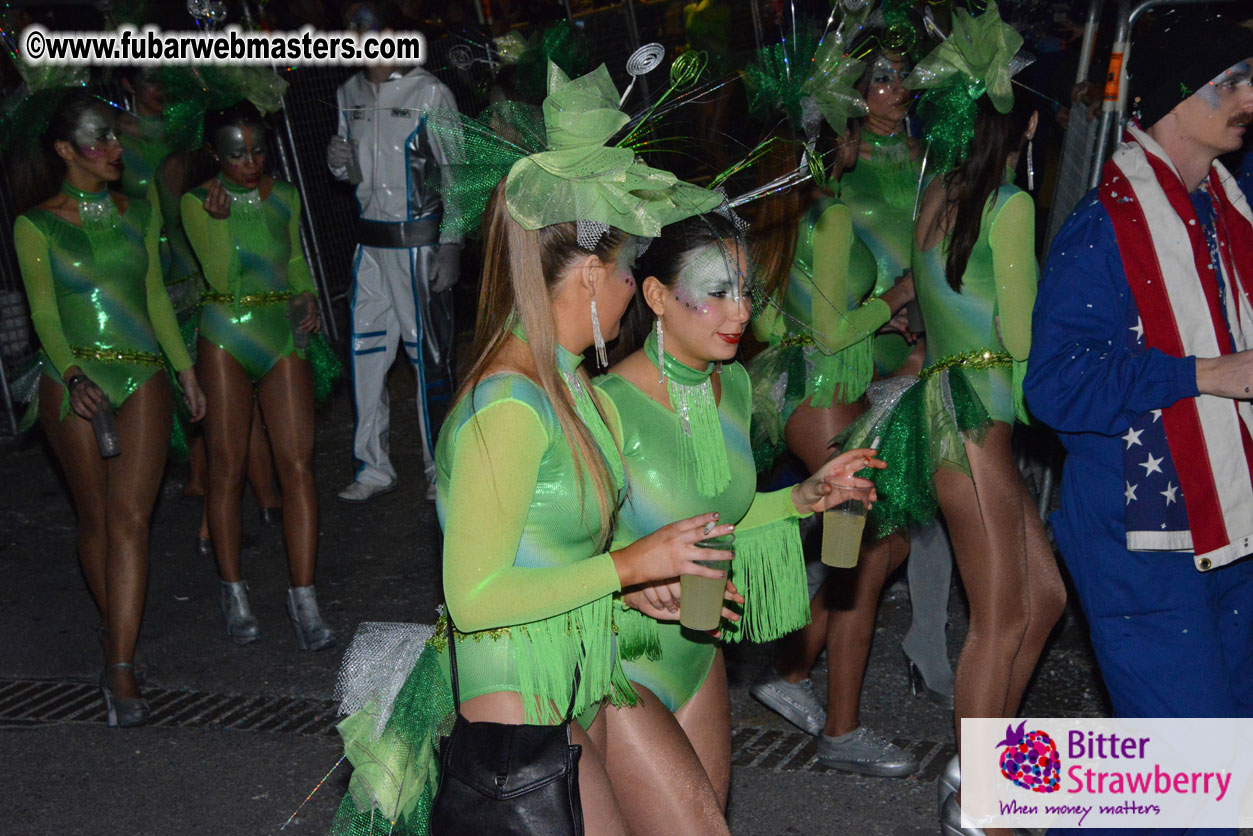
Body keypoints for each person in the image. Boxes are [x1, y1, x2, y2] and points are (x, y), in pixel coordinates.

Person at [327, 62, 729, 836]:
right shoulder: (504, 404)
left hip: (588, 671)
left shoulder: (572, 384)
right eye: (623, 275)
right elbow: (474, 597)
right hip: (518, 708)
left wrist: (635, 588)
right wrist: (628, 566)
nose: (629, 295)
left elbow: (550, 549)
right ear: (585, 274)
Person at [842, 7, 1066, 832]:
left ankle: (986, 771)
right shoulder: (1006, 206)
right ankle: (980, 803)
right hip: (973, 422)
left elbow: (939, 309)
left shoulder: (938, 194)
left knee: (1038, 601)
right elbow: (1025, 344)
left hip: (954, 416)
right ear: (1027, 127)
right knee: (1000, 617)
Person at [596, 211, 883, 832]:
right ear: (657, 298)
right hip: (619, 665)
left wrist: (805, 498)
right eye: (717, 293)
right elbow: (556, 552)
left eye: (746, 291)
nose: (742, 311)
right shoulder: (606, 408)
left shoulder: (736, 387)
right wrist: (628, 578)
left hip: (699, 657)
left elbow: (725, 516)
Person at [1026, 11, 1253, 732]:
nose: (1251, 98)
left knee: (1224, 764)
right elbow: (1054, 385)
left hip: (1232, 525)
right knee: (1188, 781)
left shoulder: (1222, 207)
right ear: (1174, 92)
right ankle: (987, 795)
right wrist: (1203, 375)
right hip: (1145, 537)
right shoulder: (1104, 225)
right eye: (1234, 80)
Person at [13, 91, 207, 726]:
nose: (116, 148)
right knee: (96, 520)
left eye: (115, 138)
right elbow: (43, 311)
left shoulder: (139, 210)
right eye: (100, 139)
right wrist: (70, 374)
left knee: (131, 521)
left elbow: (152, 296)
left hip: (143, 373)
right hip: (71, 376)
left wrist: (184, 370)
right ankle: (114, 635)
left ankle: (119, 665)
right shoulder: (34, 225)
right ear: (67, 151)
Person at [747, 121, 921, 775]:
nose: (858, 144)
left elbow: (773, 316)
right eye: (849, 132)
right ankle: (841, 733)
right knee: (867, 552)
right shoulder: (829, 215)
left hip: (806, 390)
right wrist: (894, 298)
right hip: (821, 389)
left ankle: (788, 671)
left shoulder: (779, 211)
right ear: (832, 144)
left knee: (879, 545)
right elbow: (827, 332)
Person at [181, 103, 334, 651]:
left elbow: (292, 260)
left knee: (298, 465)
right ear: (216, 155)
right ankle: (234, 590)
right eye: (237, 153)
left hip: (279, 332)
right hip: (225, 331)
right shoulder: (196, 202)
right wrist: (221, 226)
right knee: (226, 468)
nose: (251, 162)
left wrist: (307, 295)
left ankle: (305, 598)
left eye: (258, 150)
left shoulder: (285, 197)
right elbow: (222, 277)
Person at [840, 46, 960, 704]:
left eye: (900, 76)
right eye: (879, 78)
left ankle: (926, 639)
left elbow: (935, 257)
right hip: (852, 349)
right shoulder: (836, 165)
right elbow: (813, 265)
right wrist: (876, 310)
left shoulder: (924, 165)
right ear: (855, 91)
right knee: (852, 508)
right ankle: (790, 633)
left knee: (926, 501)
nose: (895, 89)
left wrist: (925, 319)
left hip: (915, 345)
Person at [328, 0, 463, 503]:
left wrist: (451, 244)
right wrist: (339, 162)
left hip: (418, 246)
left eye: (364, 27)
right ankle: (373, 465)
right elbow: (352, 173)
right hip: (370, 248)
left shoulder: (430, 92)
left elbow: (458, 175)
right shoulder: (348, 92)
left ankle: (441, 469)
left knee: (427, 357)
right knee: (363, 354)